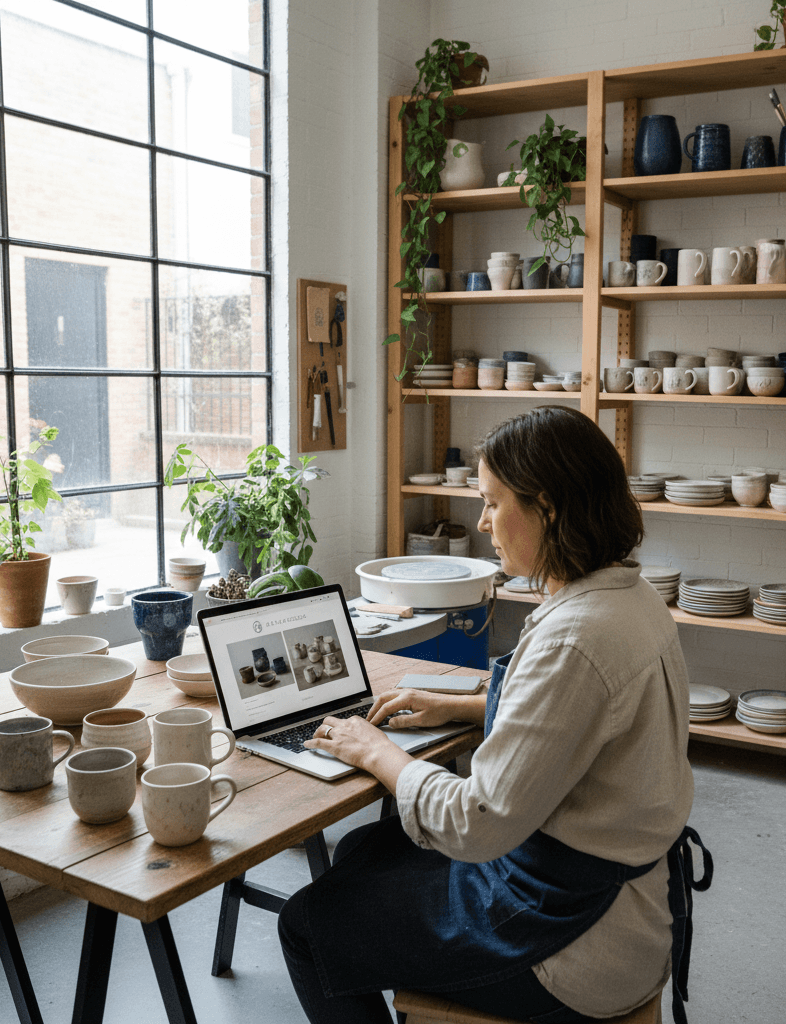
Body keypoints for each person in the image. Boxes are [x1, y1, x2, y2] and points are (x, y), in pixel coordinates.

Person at [278, 406, 710, 1024]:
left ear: (549, 508)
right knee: (363, 848)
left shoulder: (574, 639)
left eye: (491, 503)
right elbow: (582, 719)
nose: (481, 523)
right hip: (623, 897)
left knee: (306, 924)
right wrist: (461, 703)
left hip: (578, 945)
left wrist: (376, 751)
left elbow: (477, 822)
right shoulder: (629, 597)